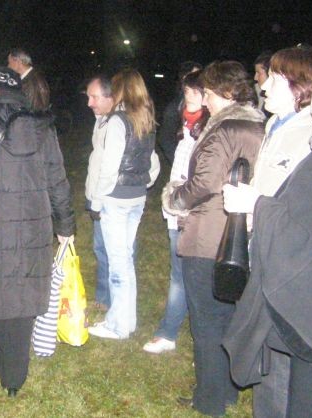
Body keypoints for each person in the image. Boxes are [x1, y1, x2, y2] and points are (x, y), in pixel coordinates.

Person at [223, 50, 312, 418]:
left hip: (308, 306)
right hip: (292, 283)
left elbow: (310, 232)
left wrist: (255, 205)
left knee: (299, 392)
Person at [0, 67, 75, 396]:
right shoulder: (42, 128)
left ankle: (1, 367)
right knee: (23, 294)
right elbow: (58, 180)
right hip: (35, 224)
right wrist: (66, 225)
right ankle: (11, 374)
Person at [163, 61, 265, 416]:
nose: (204, 100)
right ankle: (228, 389)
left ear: (226, 91)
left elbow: (204, 183)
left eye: (207, 92)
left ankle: (209, 399)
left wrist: (174, 198)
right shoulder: (257, 124)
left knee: (206, 321)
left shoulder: (225, 128)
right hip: (237, 233)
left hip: (209, 235)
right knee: (228, 314)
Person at [86, 68, 156, 340]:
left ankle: (117, 325)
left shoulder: (118, 121)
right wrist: (143, 183)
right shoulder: (145, 119)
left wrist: (97, 201)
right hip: (136, 198)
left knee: (118, 264)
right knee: (125, 261)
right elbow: (152, 163)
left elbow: (109, 168)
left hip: (115, 199)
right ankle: (127, 320)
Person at [143, 70, 209, 354]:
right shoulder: (186, 126)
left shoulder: (211, 131)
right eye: (186, 91)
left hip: (191, 214)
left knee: (188, 277)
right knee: (179, 274)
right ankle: (174, 331)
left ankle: (172, 332)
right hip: (177, 210)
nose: (189, 97)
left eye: (196, 92)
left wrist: (183, 207)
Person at [84, 74, 115, 311]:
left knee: (113, 251)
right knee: (101, 249)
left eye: (94, 97)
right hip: (96, 194)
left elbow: (150, 162)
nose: (89, 103)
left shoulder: (119, 124)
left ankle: (112, 299)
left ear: (110, 97)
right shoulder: (102, 119)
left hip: (108, 198)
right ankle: (104, 297)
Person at [157, 61, 202, 164]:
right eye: (194, 75)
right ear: (184, 78)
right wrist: (178, 161)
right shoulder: (175, 108)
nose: (198, 79)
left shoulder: (209, 109)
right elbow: (165, 138)